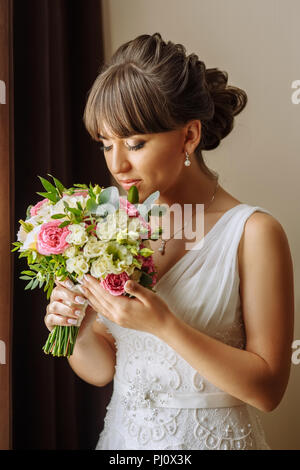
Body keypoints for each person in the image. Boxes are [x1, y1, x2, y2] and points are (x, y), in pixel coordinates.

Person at [44, 33, 294, 450]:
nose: (117, 164)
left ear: (189, 136)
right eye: (107, 145)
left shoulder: (253, 232)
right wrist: (79, 328)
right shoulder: (113, 226)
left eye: (135, 143)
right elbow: (104, 369)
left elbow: (268, 390)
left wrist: (164, 325)